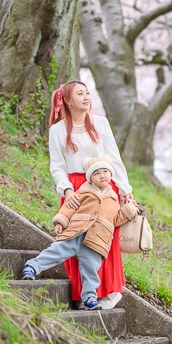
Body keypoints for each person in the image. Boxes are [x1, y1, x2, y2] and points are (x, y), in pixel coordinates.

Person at [44, 79, 136, 309]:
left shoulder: (100, 123)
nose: (86, 97)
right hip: (75, 190)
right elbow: (57, 166)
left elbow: (114, 158)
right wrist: (66, 189)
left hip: (104, 187)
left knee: (103, 239)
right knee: (76, 238)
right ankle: (84, 294)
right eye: (80, 94)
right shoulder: (57, 130)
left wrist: (125, 190)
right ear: (67, 100)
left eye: (88, 93)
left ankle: (108, 291)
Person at [20, 156, 139, 309]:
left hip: (96, 240)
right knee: (56, 251)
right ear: (90, 178)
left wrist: (130, 210)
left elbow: (115, 219)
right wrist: (61, 221)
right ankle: (32, 267)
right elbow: (70, 207)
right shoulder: (84, 190)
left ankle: (89, 297)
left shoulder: (113, 197)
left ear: (111, 175)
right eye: (96, 173)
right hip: (76, 232)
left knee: (91, 270)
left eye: (105, 172)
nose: (102, 175)